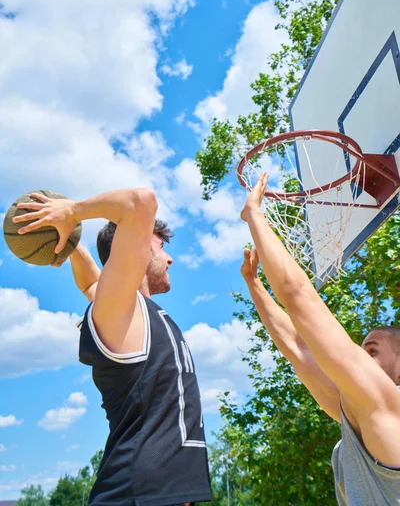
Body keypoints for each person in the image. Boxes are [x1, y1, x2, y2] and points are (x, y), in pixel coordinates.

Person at [14, 188, 211, 506]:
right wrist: (72, 210)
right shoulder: (118, 307)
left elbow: (91, 281)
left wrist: (68, 241)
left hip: (158, 496)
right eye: (160, 247)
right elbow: (141, 201)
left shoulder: (135, 314)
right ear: (137, 248)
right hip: (136, 496)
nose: (169, 258)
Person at [240, 172, 400, 505]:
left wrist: (255, 214)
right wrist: (255, 285)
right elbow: (298, 348)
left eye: (370, 351)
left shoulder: (390, 409)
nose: (357, 354)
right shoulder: (357, 423)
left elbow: (298, 296)